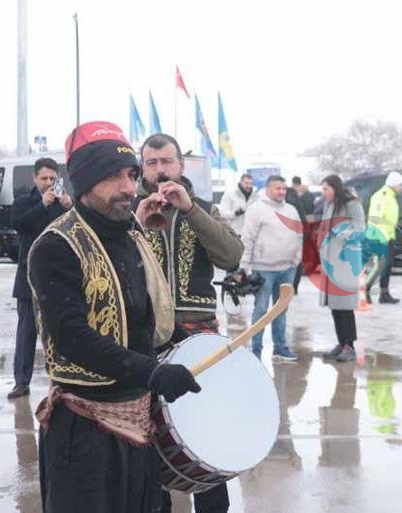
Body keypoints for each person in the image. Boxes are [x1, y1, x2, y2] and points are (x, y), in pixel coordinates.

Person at [29, 121, 201, 513]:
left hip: (138, 421)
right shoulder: (56, 245)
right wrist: (152, 372)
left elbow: (142, 317)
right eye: (112, 176)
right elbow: (72, 338)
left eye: (131, 175)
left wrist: (185, 345)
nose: (128, 187)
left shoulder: (129, 234)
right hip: (83, 432)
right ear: (85, 183)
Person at [134, 133, 243, 513]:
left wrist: (191, 210)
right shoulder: (129, 211)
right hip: (146, 339)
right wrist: (136, 223)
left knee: (206, 431)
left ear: (181, 166)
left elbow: (231, 257)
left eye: (167, 161)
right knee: (148, 437)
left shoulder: (204, 209)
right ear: (142, 168)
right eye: (152, 163)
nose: (160, 169)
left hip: (198, 337)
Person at [7, 157, 72, 399]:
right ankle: (21, 382)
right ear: (35, 178)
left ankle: (63, 382)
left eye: (52, 178)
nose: (48, 183)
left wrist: (71, 208)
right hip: (29, 278)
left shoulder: (64, 203)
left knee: (62, 331)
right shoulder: (24, 202)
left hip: (59, 277)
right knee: (26, 332)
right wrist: (42, 206)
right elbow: (19, 225)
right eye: (44, 178)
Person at [240, 175, 302, 361]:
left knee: (281, 310)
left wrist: (296, 260)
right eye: (278, 188)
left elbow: (299, 235)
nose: (282, 192)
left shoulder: (291, 210)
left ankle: (280, 347)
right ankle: (256, 349)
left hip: (287, 269)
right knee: (261, 309)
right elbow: (248, 238)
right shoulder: (256, 209)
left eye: (284, 188)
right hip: (263, 269)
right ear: (268, 189)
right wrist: (245, 266)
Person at [318, 174, 365, 363]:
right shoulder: (329, 204)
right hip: (331, 259)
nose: (324, 193)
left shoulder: (351, 203)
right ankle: (341, 342)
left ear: (335, 188)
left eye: (326, 189)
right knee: (335, 306)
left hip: (346, 260)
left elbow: (359, 229)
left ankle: (349, 346)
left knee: (345, 307)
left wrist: (338, 234)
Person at [364, 171, 402, 304]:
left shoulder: (391, 197)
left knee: (386, 267)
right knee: (378, 267)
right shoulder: (381, 196)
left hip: (388, 237)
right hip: (380, 238)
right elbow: (376, 218)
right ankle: (365, 290)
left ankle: (384, 294)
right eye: (400, 184)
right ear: (394, 184)